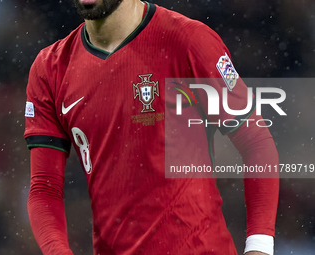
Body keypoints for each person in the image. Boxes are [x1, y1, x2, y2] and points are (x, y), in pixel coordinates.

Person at [24, 0, 279, 254]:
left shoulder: (189, 40)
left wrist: (260, 245)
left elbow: (256, 142)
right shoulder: (50, 69)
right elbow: (45, 187)